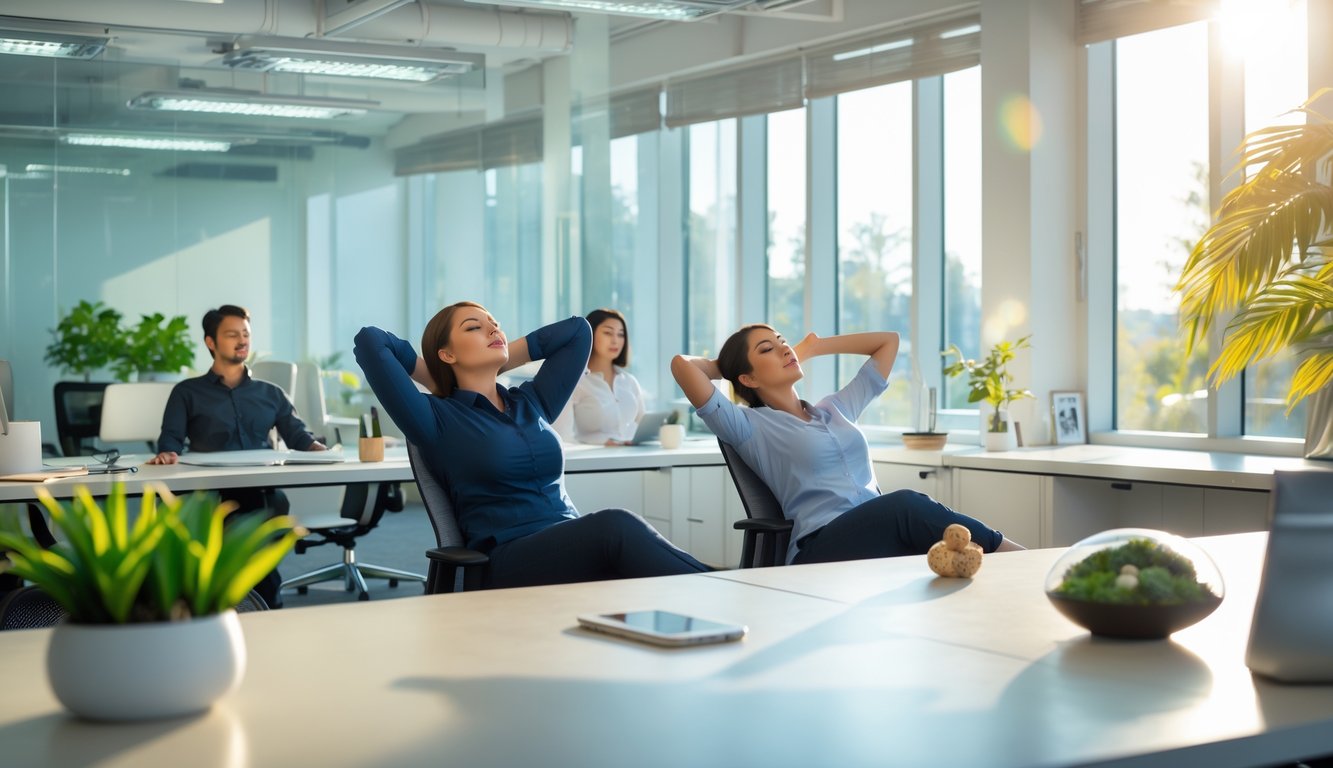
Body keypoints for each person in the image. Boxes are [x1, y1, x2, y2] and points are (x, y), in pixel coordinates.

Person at [353, 301, 710, 588]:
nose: (493, 329)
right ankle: (719, 585)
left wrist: (504, 353)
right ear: (447, 354)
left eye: (495, 324)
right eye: (474, 327)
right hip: (506, 559)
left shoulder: (530, 402)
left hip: (565, 539)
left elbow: (577, 332)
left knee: (630, 560)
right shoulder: (435, 418)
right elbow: (370, 341)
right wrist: (433, 373)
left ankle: (713, 592)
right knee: (615, 527)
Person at [672, 325, 1024, 565]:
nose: (783, 347)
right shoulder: (747, 426)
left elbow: (888, 342)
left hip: (876, 535)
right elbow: (683, 366)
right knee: (905, 505)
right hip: (821, 547)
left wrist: (813, 347)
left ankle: (1009, 570)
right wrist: (728, 367)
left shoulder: (835, 409)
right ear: (747, 378)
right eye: (768, 348)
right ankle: (1019, 559)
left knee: (944, 554)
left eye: (782, 340)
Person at [149, 304, 328, 608]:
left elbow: (299, 438)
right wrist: (167, 454)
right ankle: (235, 598)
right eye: (232, 334)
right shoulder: (187, 392)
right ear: (211, 342)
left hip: (260, 491)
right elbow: (171, 441)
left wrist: (321, 450)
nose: (242, 340)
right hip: (209, 493)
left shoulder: (271, 393)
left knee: (269, 510)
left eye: (245, 334)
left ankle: (258, 600)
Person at [553, 308, 646, 446]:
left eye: (621, 335)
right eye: (608, 333)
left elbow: (643, 426)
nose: (616, 340)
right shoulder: (575, 382)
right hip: (594, 462)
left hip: (632, 457)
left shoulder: (630, 381)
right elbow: (561, 437)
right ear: (589, 334)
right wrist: (602, 442)